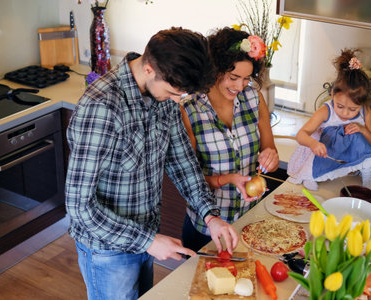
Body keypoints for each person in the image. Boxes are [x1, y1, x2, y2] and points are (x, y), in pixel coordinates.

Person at [65, 27, 239, 300]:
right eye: (172, 92)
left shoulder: (164, 92)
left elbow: (181, 159)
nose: (175, 101)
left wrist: (210, 215)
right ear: (148, 69)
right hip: (108, 251)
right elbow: (79, 206)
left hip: (147, 235)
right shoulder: (101, 107)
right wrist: (148, 241)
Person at [180, 27, 279, 252]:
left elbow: (269, 149)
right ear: (215, 68)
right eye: (233, 77)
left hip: (248, 222)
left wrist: (270, 157)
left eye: (246, 78)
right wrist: (227, 179)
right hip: (207, 229)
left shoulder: (254, 98)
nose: (239, 86)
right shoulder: (190, 110)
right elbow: (188, 180)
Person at [287, 48, 371, 191]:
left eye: (353, 109)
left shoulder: (365, 111)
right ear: (332, 94)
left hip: (350, 153)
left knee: (358, 140)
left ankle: (367, 176)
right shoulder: (325, 111)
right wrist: (312, 144)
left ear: (362, 104)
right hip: (328, 152)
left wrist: (362, 129)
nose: (346, 113)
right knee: (317, 161)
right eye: (340, 106)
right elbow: (301, 135)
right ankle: (310, 176)